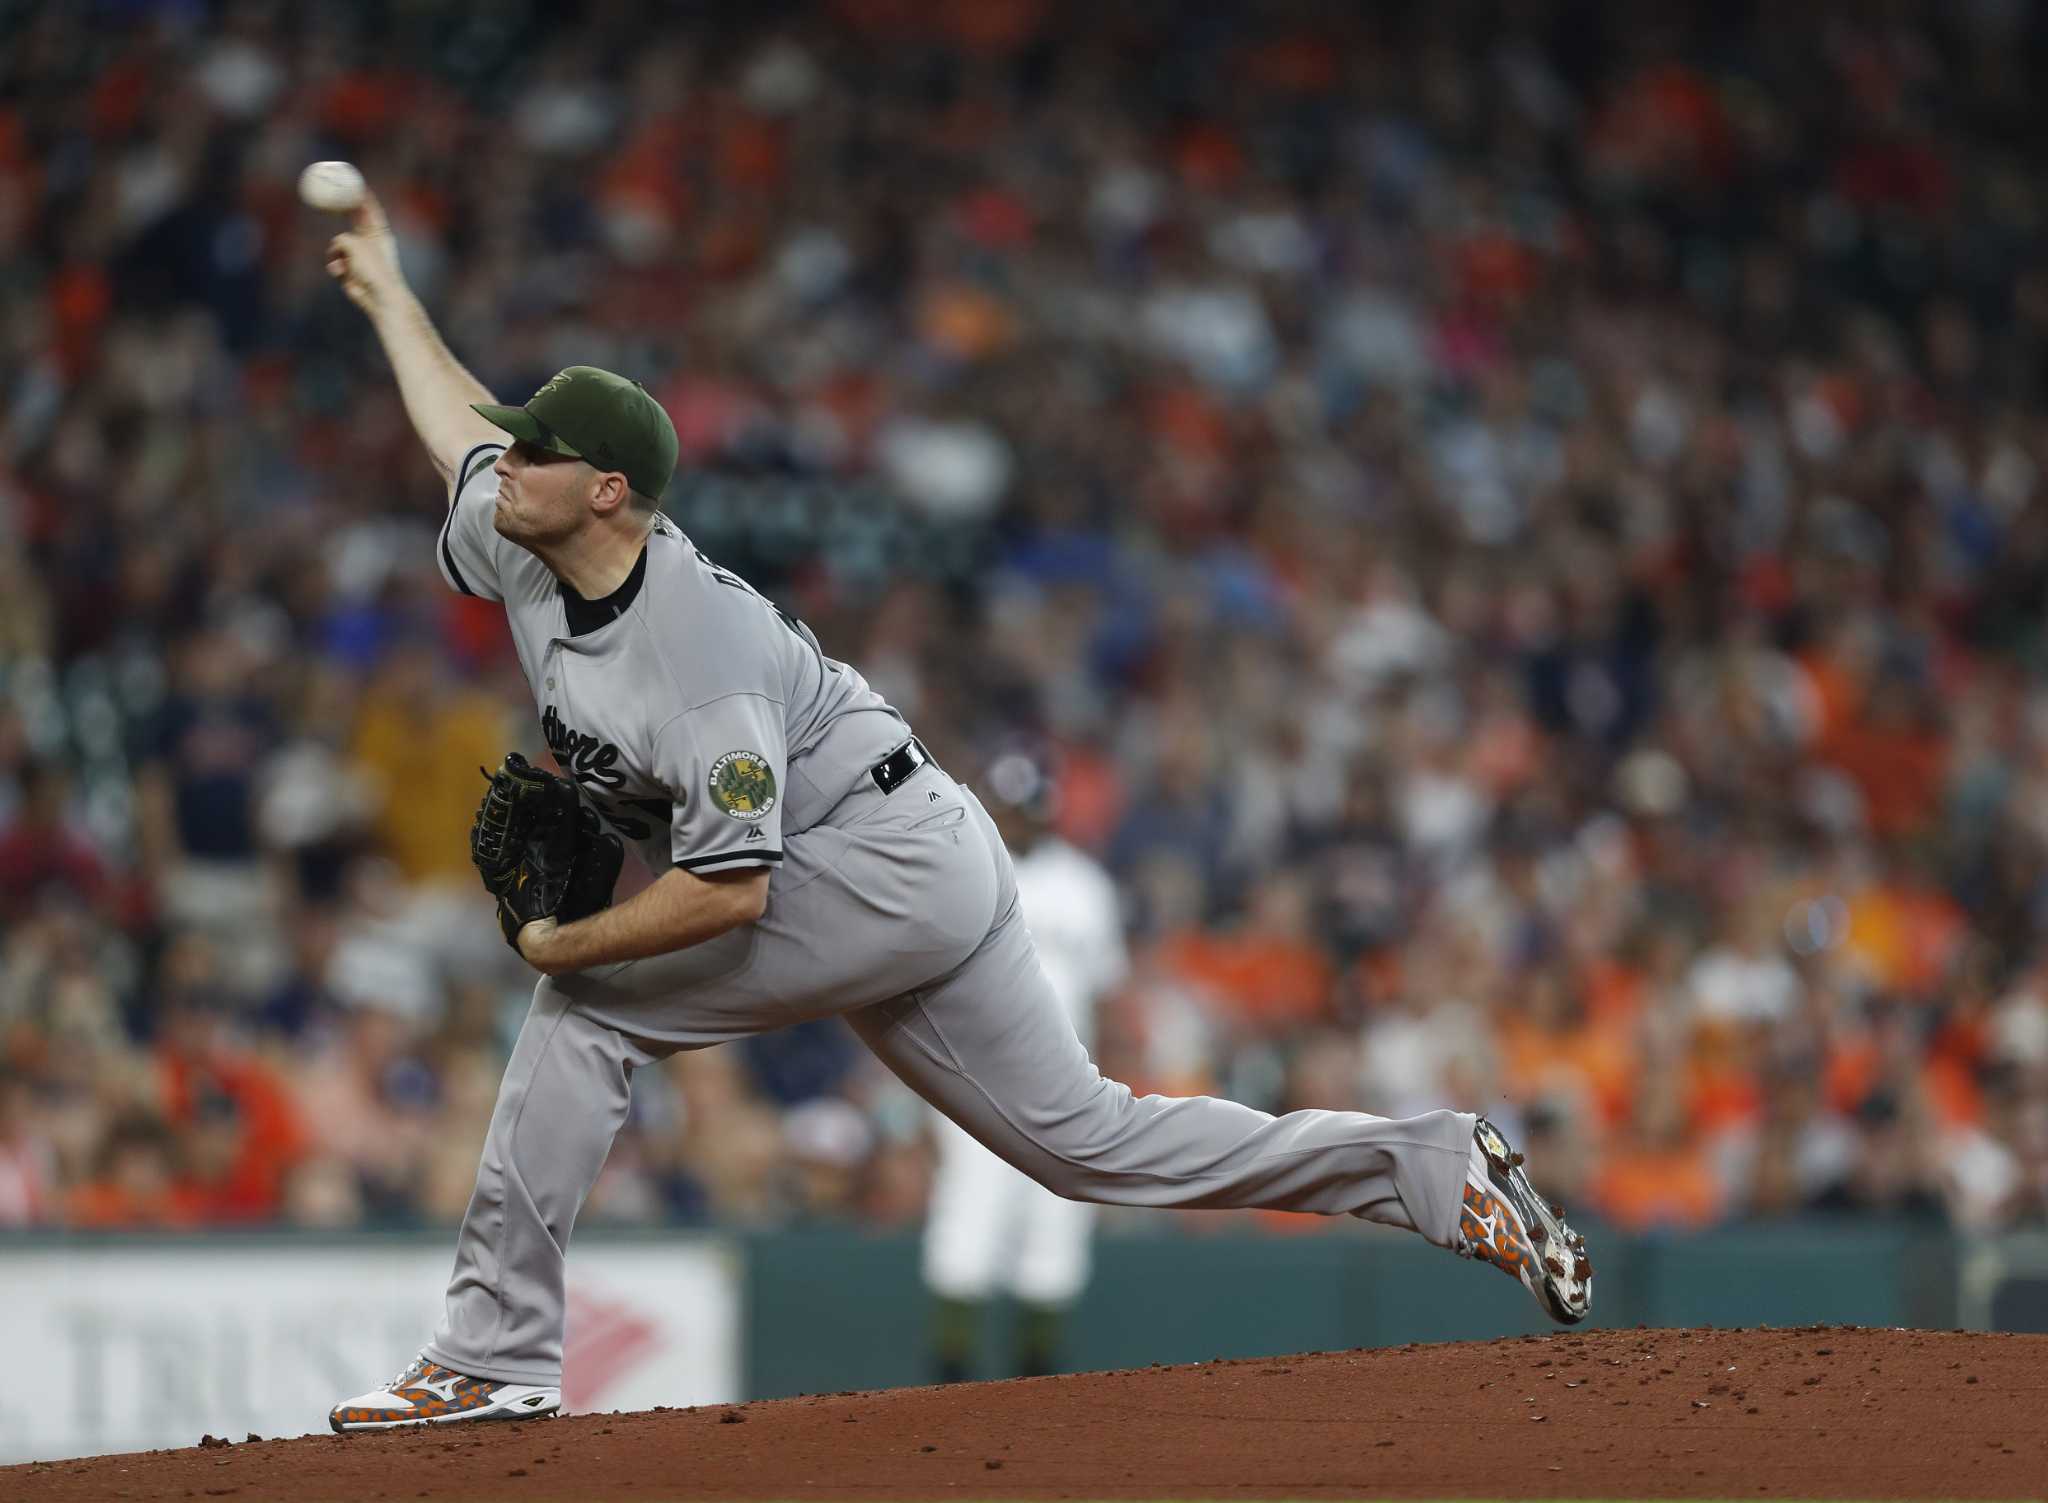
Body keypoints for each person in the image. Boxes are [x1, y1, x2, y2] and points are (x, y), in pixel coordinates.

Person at [318, 186, 1592, 1432]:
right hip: (917, 841)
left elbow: (731, 890)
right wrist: (386, 293)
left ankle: (491, 1361)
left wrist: (563, 945)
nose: (508, 462)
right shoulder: (526, 531)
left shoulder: (695, 655)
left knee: (582, 1013)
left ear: (606, 492)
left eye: (539, 449)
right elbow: (456, 432)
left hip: (867, 861)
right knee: (1085, 1144)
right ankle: (1426, 1167)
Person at [921, 750, 1126, 1383]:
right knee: (969, 1219)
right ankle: (950, 1375)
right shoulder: (955, 867)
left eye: (1027, 809)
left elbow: (1108, 995)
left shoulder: (1085, 885)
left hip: (1065, 1080)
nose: (1018, 821)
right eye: (1008, 810)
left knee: (1056, 1225)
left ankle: (1039, 1380)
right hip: (973, 1079)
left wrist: (1114, 1081)